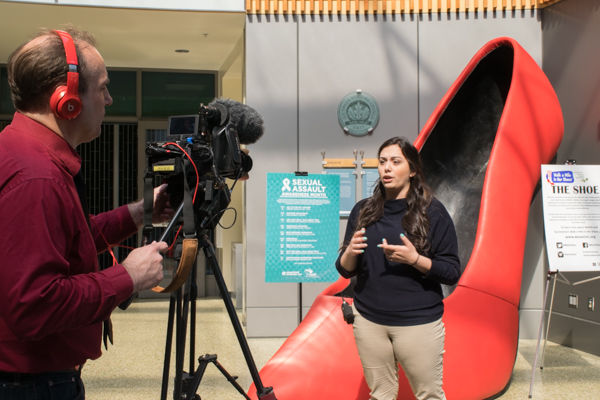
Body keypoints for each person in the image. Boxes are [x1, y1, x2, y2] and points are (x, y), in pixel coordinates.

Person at [0, 28, 173, 399]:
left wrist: (140, 213)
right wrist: (127, 276)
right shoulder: (37, 177)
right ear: (67, 99)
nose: (109, 99)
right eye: (103, 88)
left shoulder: (23, 153)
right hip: (33, 385)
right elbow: (34, 304)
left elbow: (65, 241)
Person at [336, 136, 460, 400]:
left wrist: (415, 259)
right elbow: (345, 270)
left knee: (430, 395)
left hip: (419, 324)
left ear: (412, 170)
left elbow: (451, 272)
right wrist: (349, 252)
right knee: (381, 394)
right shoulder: (363, 210)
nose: (387, 168)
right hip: (369, 322)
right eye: (382, 162)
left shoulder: (433, 213)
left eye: (395, 161)